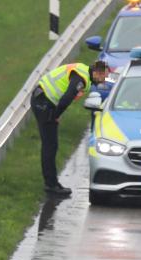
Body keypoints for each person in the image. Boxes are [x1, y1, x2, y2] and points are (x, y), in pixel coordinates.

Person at [32, 60, 108, 197]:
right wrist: (55, 115)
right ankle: (51, 185)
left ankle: (52, 182)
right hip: (43, 102)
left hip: (43, 99)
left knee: (51, 145)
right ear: (97, 72)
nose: (103, 81)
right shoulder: (82, 78)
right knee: (50, 145)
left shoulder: (83, 71)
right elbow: (67, 98)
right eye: (103, 77)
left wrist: (55, 113)